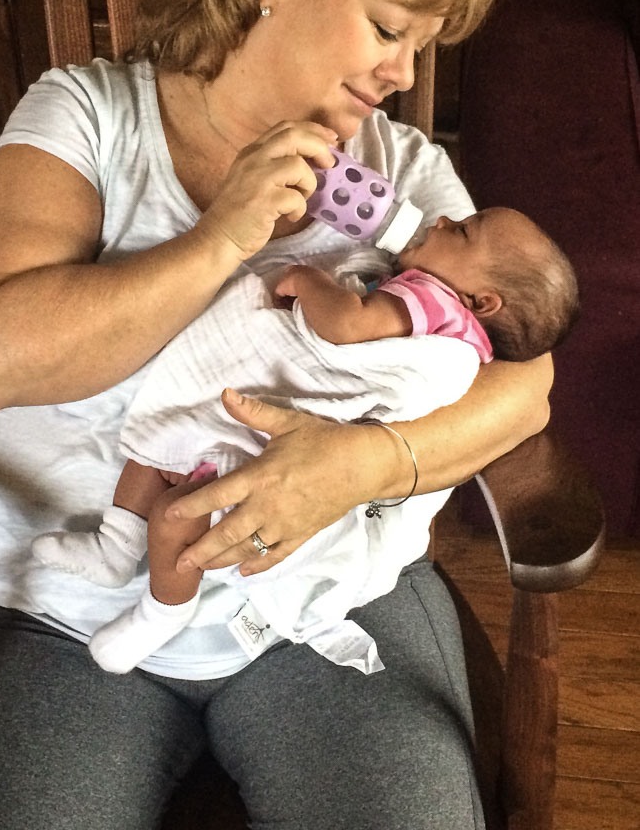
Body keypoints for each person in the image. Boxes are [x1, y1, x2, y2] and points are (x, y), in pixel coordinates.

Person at [0, 0, 553, 830]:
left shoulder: (401, 177)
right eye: (389, 27)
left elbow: (526, 384)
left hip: (321, 609)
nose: (403, 72)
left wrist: (361, 468)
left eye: (421, 47)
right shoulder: (88, 118)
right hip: (66, 608)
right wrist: (219, 238)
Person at [32, 206, 579, 675]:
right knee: (160, 460)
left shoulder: (433, 302)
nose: (440, 219)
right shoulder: (456, 323)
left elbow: (345, 327)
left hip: (280, 434)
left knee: (176, 511)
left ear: (482, 303)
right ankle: (115, 547)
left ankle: (160, 609)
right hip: (277, 432)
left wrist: (309, 281)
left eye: (461, 230)